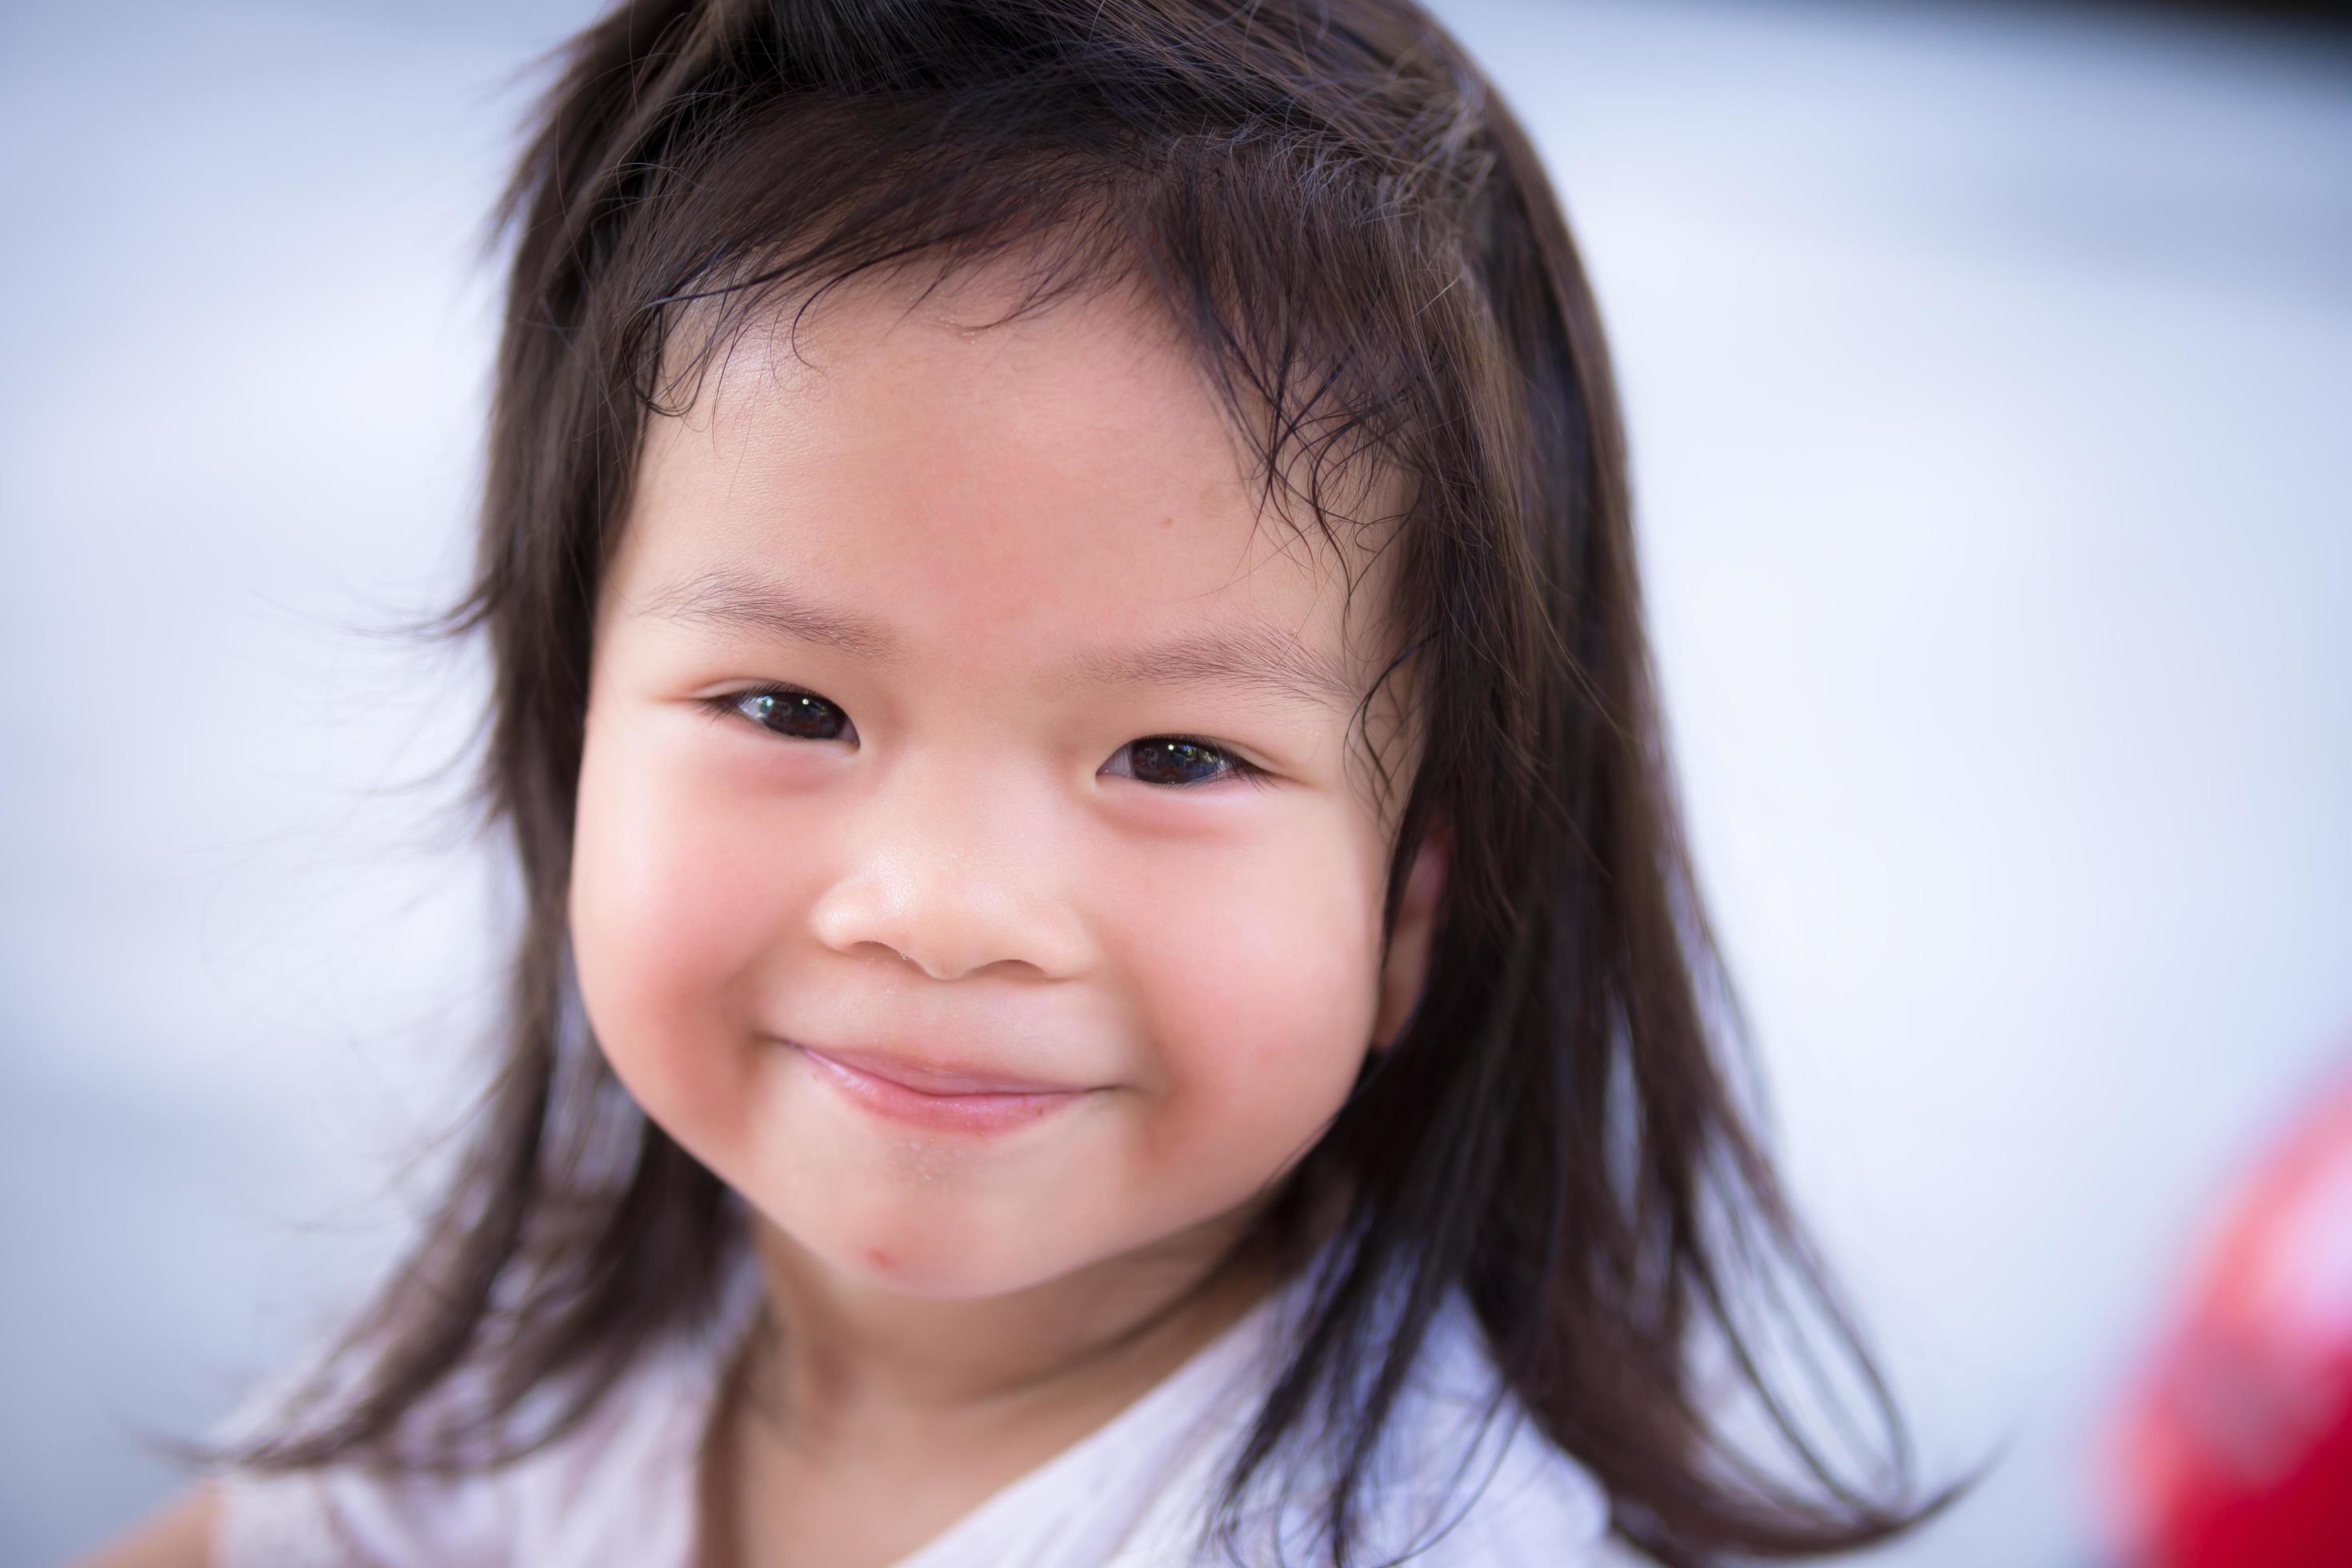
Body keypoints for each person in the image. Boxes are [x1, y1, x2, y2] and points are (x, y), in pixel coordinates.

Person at [74, 2, 1951, 1564]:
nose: (947, 904)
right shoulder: (551, 1357)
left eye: (1178, 754)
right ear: (572, 717)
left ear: (1415, 898)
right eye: (791, 707)